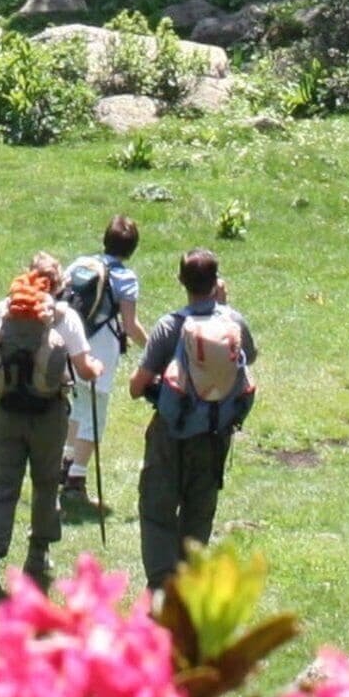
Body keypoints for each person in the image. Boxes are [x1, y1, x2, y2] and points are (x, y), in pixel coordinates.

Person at [127, 247, 257, 590]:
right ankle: (187, 586)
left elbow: (137, 387)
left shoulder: (171, 325)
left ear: (181, 281)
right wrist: (226, 306)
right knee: (198, 511)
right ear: (216, 282)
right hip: (215, 434)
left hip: (170, 433)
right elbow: (249, 359)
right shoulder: (234, 322)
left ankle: (160, 587)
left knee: (158, 508)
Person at [0, 254, 101, 598]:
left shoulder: (5, 309)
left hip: (6, 410)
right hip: (48, 414)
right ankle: (37, 556)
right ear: (58, 286)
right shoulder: (65, 317)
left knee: (2, 486)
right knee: (45, 484)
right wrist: (97, 367)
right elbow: (85, 369)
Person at [57, 217, 142, 489]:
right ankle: (77, 478)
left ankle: (65, 460)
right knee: (95, 412)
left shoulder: (81, 264)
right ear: (131, 249)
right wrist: (153, 348)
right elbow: (130, 325)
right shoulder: (125, 278)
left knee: (77, 402)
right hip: (102, 346)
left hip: (72, 340)